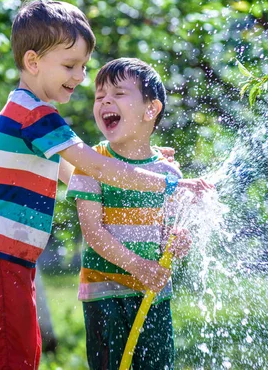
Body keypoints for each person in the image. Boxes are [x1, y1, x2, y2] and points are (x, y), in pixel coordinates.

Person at [0, 0, 210, 370]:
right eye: (70, 65)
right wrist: (163, 183)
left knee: (23, 349)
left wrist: (153, 169)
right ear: (33, 62)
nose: (78, 77)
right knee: (16, 353)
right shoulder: (35, 114)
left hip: (7, 254)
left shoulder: (33, 112)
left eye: (83, 66)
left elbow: (76, 174)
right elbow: (94, 165)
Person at [66, 58, 194, 370]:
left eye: (119, 94)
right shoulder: (92, 163)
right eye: (100, 96)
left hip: (154, 295)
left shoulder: (167, 173)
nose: (106, 100)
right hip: (105, 295)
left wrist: (178, 243)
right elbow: (93, 233)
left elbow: (167, 234)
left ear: (151, 110)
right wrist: (137, 265)